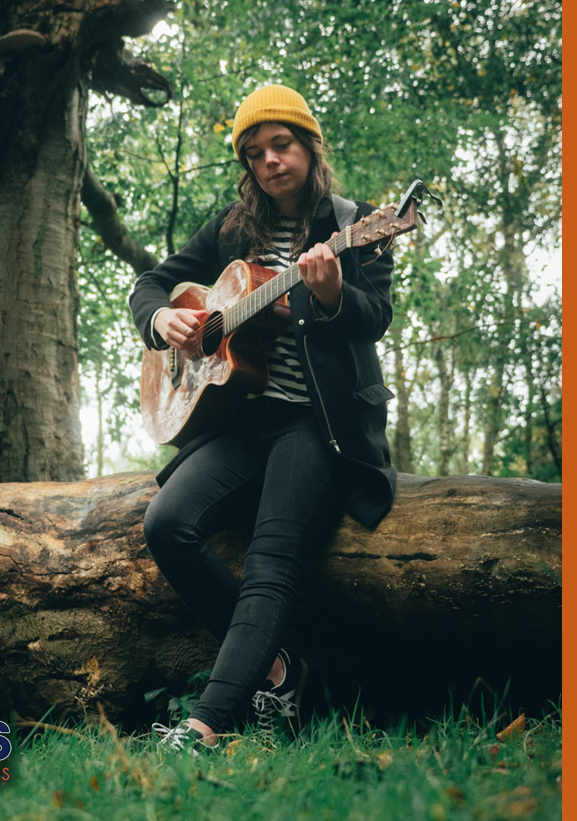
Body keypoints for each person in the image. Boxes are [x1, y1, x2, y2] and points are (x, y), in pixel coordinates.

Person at [127, 84, 397, 751]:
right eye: (256, 153)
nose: (271, 160)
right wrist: (164, 320)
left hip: (319, 425)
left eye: (283, 145)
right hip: (245, 421)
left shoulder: (354, 221)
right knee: (167, 524)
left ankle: (204, 725)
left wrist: (332, 294)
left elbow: (377, 316)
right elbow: (151, 285)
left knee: (271, 563)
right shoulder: (229, 229)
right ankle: (279, 670)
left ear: (308, 146)